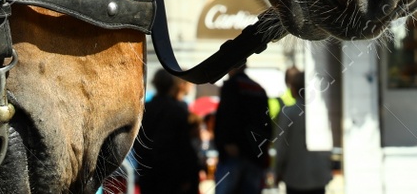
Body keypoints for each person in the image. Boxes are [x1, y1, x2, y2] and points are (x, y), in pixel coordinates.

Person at [136, 70, 202, 194]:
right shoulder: (178, 111)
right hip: (172, 174)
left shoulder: (144, 110)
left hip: (148, 173)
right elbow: (183, 146)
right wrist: (187, 176)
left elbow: (138, 142)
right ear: (172, 85)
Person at [272, 69, 332, 194]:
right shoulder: (322, 112)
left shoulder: (288, 113)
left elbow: (281, 146)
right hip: (319, 176)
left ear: (294, 89)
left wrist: (277, 171)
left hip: (295, 177)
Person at [213, 66, 272, 194]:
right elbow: (266, 122)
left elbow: (227, 116)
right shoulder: (258, 89)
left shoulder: (231, 86)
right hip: (255, 155)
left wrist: (226, 141)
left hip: (233, 154)